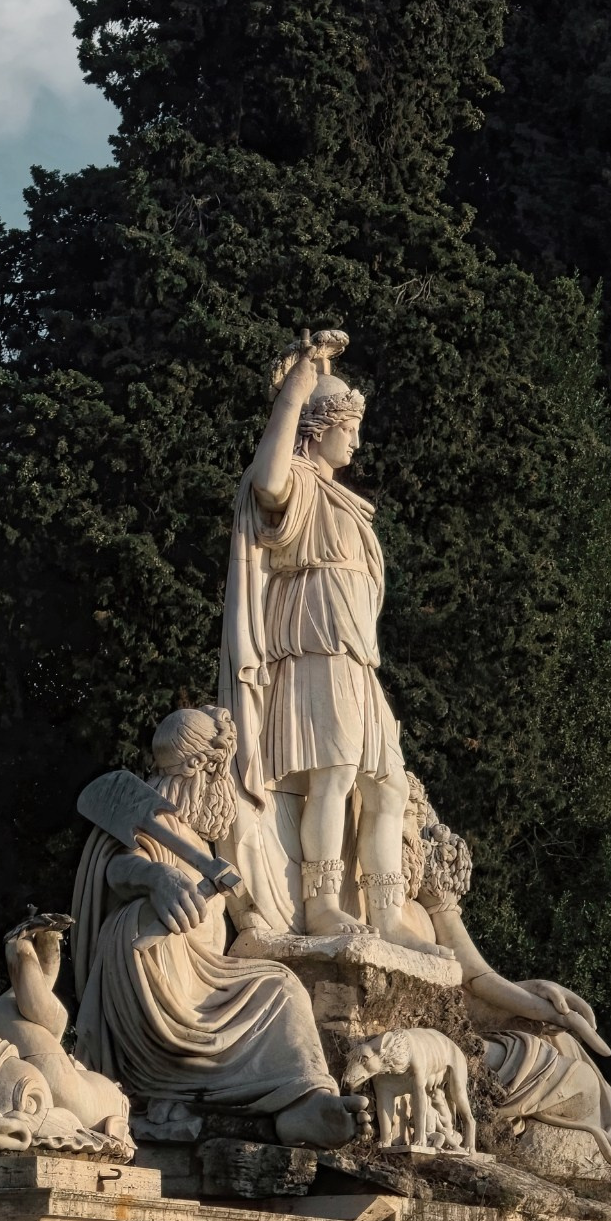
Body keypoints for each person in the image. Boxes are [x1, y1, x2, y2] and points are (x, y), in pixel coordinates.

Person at [399, 778, 611, 1194]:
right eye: (396, 821)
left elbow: (476, 978)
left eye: (409, 824)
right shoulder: (370, 902)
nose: (406, 840)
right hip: (428, 1048)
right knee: (563, 1069)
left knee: (564, 1042)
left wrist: (539, 1002)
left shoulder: (424, 906)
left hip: (455, 1036)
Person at [70, 706, 360, 1149]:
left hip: (203, 973)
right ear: (198, 767)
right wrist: (156, 878)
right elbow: (119, 867)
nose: (221, 782)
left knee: (280, 988)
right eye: (219, 770)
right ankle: (281, 1099)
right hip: (159, 970)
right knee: (279, 986)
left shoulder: (193, 836)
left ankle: (307, 1099)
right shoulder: (154, 818)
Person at [220, 330, 412, 944]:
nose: (355, 440)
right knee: (332, 775)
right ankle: (323, 901)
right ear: (315, 429)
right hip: (311, 651)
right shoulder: (298, 482)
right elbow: (268, 482)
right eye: (346, 428)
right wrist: (296, 389)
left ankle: (388, 916)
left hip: (356, 658)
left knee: (389, 785)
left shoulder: (346, 500)